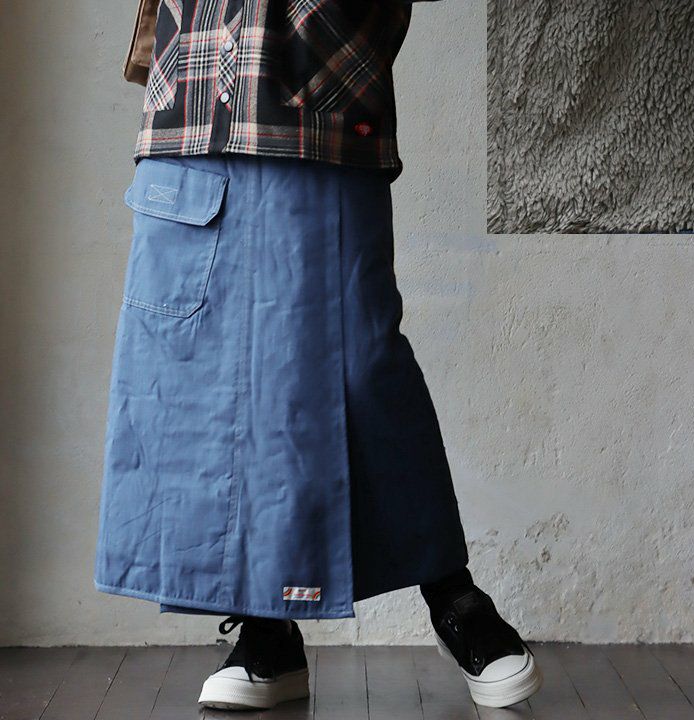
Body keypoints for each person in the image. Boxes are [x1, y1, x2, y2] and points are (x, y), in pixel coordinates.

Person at [94, 0, 543, 710]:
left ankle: (453, 596)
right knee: (203, 378)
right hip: (194, 103)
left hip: (320, 95)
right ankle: (267, 633)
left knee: (361, 367)